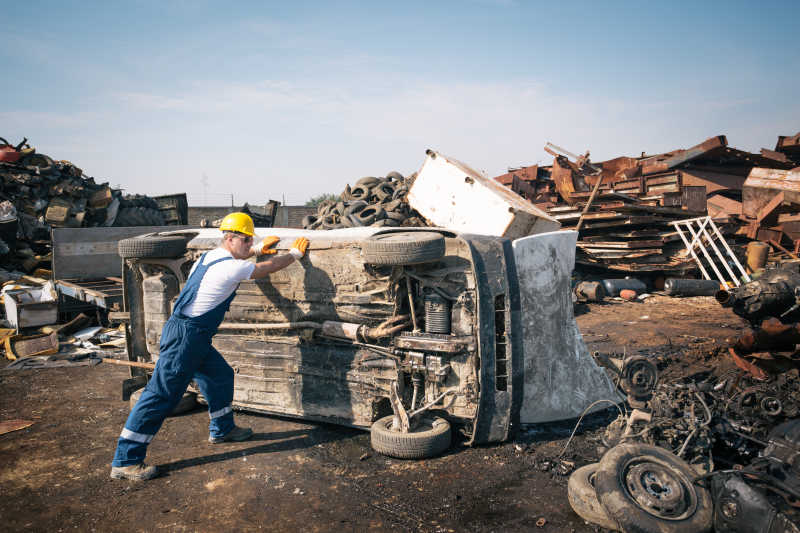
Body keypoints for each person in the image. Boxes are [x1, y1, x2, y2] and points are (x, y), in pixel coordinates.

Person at [110, 212, 309, 481]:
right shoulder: (231, 267)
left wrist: (257, 249)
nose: (249, 244)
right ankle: (126, 460)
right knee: (160, 395)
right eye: (246, 240)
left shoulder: (209, 257)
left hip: (193, 335)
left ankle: (222, 429)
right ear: (230, 238)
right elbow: (263, 269)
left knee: (220, 375)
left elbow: (239, 259)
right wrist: (293, 256)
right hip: (186, 338)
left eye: (251, 240)